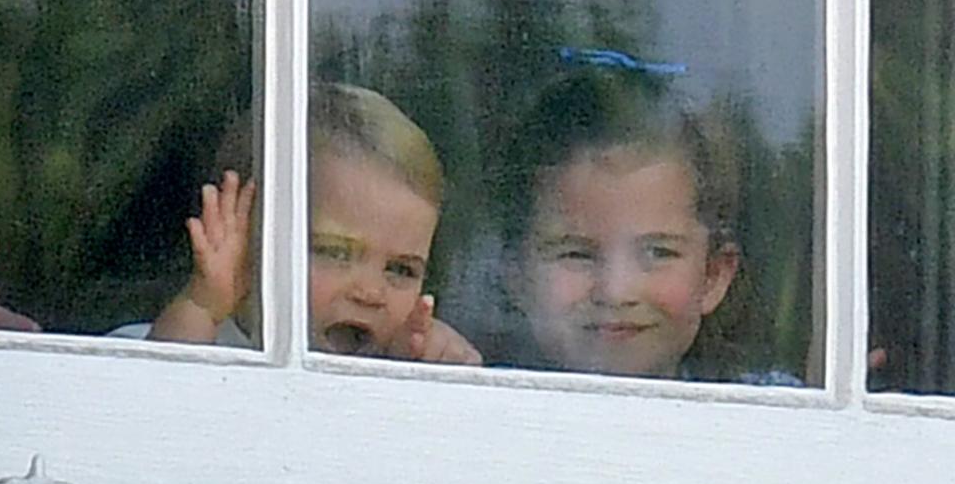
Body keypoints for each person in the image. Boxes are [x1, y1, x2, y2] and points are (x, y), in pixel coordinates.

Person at [147, 84, 481, 364]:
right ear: (244, 242)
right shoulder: (173, 343)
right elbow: (148, 404)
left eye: (401, 270)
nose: (371, 293)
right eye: (335, 252)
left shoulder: (399, 357)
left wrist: (428, 375)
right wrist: (202, 307)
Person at [494, 68, 792, 382]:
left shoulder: (773, 414)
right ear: (516, 274)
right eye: (576, 254)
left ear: (713, 276)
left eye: (658, 252)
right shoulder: (474, 402)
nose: (616, 292)